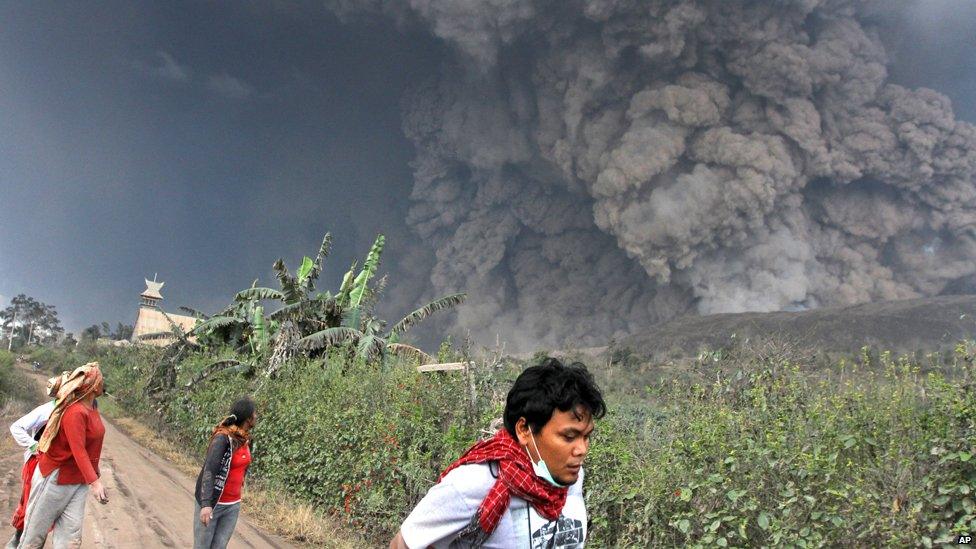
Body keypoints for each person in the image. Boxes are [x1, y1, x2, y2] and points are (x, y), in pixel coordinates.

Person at [390, 357, 606, 549]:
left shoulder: (571, 479)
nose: (581, 450)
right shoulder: (474, 483)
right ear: (524, 430)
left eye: (586, 437)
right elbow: (403, 544)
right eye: (569, 437)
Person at [17, 362, 108, 549]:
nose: (103, 382)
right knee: (33, 537)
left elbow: (92, 448)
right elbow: (78, 450)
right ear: (92, 386)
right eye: (100, 378)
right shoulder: (75, 412)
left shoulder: (92, 408)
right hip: (54, 478)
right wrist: (95, 482)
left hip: (77, 482)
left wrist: (93, 474)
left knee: (70, 541)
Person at [4, 372, 69, 549]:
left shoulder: (70, 411)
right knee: (30, 504)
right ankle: (18, 539)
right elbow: (16, 427)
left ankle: (31, 542)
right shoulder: (46, 410)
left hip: (55, 466)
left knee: (45, 508)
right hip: (36, 463)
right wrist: (34, 446)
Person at [193, 397, 257, 549]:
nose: (257, 417)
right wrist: (206, 504)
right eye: (255, 414)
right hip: (214, 504)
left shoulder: (245, 439)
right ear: (248, 418)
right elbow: (210, 469)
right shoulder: (223, 438)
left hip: (232, 505)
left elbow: (243, 466)